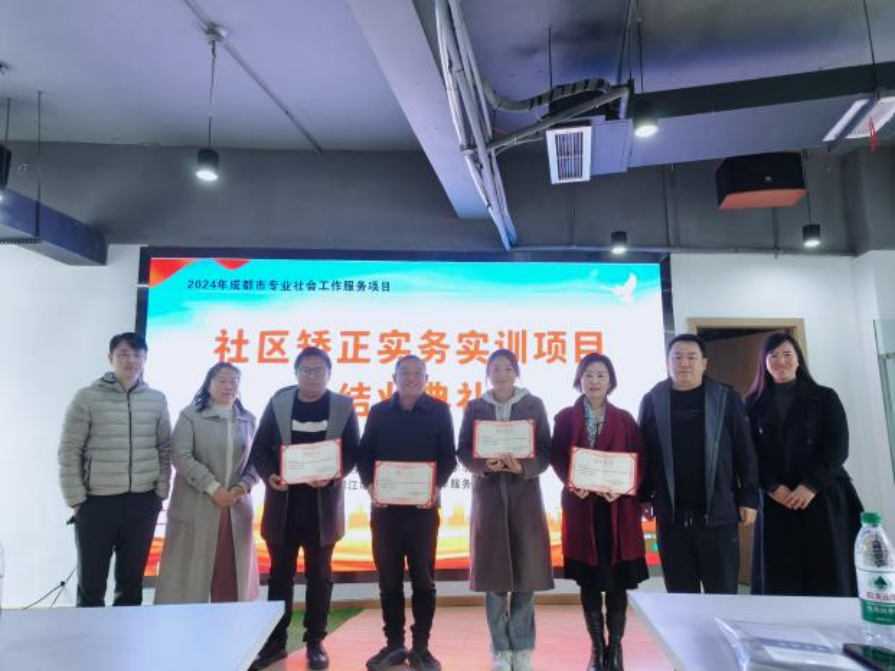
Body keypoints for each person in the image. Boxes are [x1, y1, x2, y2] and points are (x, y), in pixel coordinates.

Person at [248, 347, 360, 671]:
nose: (312, 376)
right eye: (306, 370)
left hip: (322, 509)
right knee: (280, 576)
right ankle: (276, 642)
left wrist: (333, 474)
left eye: (319, 370)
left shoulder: (343, 406)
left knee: (319, 576)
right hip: (283, 505)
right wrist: (270, 475)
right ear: (296, 373)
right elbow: (260, 448)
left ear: (329, 374)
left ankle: (315, 641)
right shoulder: (279, 402)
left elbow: (353, 452)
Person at [744, 332, 863, 596]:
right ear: (764, 362)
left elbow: (838, 447)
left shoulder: (825, 397)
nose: (781, 361)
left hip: (821, 493)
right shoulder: (751, 404)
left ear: (798, 359)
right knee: (780, 578)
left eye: (787, 354)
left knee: (828, 575)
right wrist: (773, 487)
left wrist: (810, 486)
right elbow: (748, 455)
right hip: (777, 498)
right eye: (773, 356)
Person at [638, 334, 759, 595]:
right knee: (681, 596)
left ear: (704, 363)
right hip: (672, 518)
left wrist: (749, 497)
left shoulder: (726, 398)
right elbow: (645, 453)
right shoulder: (652, 400)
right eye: (677, 357)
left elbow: (745, 451)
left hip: (718, 515)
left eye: (691, 357)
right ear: (667, 363)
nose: (684, 363)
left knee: (722, 594)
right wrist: (644, 495)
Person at [357, 355, 457, 671]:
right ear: (394, 378)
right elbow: (364, 455)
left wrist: (436, 486)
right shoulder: (378, 412)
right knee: (388, 579)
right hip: (385, 512)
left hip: (423, 511)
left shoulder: (439, 410)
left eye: (418, 373)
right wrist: (370, 486)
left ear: (426, 378)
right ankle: (394, 645)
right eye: (405, 372)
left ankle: (421, 648)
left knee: (423, 581)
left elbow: (448, 457)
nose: (411, 377)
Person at [58, 331, 171, 607]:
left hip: (143, 502)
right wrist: (76, 499)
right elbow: (69, 450)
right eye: (123, 354)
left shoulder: (156, 399)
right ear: (110, 358)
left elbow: (165, 447)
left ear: (145, 359)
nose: (131, 360)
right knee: (92, 583)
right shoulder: (87, 397)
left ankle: (126, 633)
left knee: (131, 582)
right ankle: (89, 633)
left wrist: (160, 492)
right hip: (97, 502)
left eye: (137, 354)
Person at [457, 349, 554, 671]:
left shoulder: (534, 404)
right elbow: (463, 448)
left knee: (526, 578)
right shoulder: (475, 407)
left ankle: (522, 649)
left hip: (525, 497)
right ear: (488, 373)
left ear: (516, 372)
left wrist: (522, 467)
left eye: (507, 368)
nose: (501, 374)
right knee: (495, 581)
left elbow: (545, 450)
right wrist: (484, 465)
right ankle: (500, 649)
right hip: (488, 498)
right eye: (495, 368)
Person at [551, 353, 647, 671]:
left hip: (618, 508)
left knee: (617, 580)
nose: (594, 381)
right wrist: (571, 481)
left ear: (611, 381)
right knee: (589, 581)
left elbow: (640, 459)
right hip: (582, 507)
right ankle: (596, 649)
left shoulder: (625, 419)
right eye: (588, 375)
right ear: (579, 379)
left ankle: (615, 650)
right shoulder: (566, 417)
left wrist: (624, 486)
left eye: (601, 375)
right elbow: (557, 457)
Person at [155, 362, 260, 604]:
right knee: (189, 575)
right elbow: (180, 455)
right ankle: (185, 624)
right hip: (197, 505)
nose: (228, 386)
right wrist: (213, 487)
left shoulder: (248, 419)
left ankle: (230, 623)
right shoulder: (190, 415)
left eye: (233, 381)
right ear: (208, 384)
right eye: (222, 380)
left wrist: (243, 486)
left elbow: (257, 460)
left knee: (231, 573)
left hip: (235, 506)